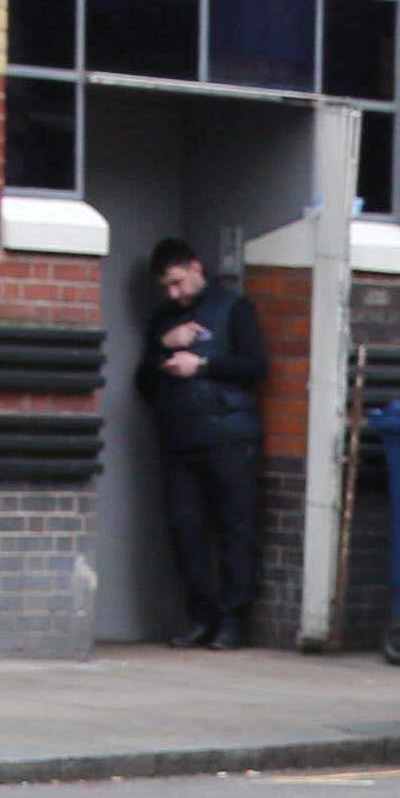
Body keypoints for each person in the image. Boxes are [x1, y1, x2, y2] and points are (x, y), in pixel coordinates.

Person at [134, 240, 272, 649]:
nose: (173, 294)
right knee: (186, 532)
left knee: (234, 530)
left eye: (177, 283)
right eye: (166, 287)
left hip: (230, 436)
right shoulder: (163, 322)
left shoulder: (234, 308)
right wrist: (164, 347)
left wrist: (203, 365)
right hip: (180, 440)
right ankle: (201, 617)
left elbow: (256, 366)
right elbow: (142, 383)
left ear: (196, 268)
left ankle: (231, 621)